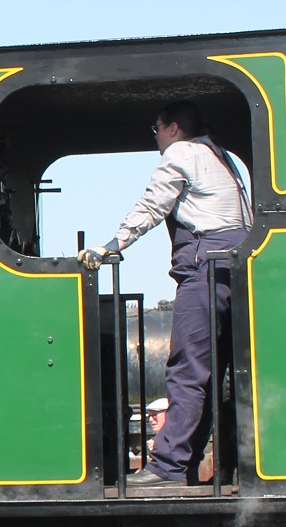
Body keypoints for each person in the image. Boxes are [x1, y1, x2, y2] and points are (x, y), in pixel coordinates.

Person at [81, 101, 252, 489]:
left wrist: (113, 244)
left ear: (172, 128)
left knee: (187, 370)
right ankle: (188, 465)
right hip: (236, 268)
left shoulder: (182, 152)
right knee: (212, 374)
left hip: (204, 266)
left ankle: (169, 467)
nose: (156, 138)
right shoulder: (222, 156)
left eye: (156, 130)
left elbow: (153, 203)